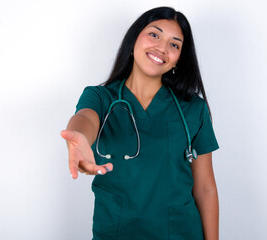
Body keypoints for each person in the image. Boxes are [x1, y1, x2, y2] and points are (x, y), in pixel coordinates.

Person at [61, 6, 220, 240]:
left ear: (178, 60)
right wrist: (80, 138)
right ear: (134, 40)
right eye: (154, 35)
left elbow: (205, 189)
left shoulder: (193, 109)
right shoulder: (100, 97)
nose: (162, 48)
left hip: (179, 233)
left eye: (174, 44)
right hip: (116, 232)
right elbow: (85, 118)